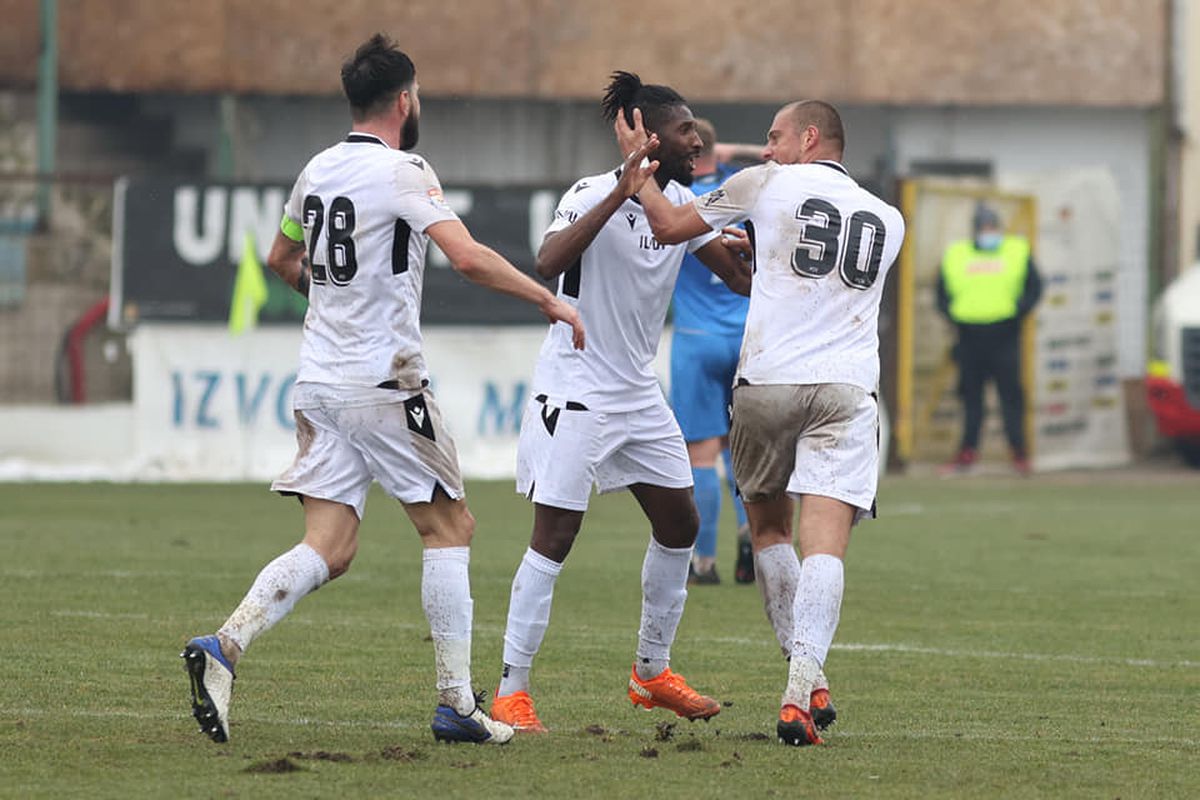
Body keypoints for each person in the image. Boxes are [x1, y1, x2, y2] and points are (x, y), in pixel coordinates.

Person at [179, 33, 585, 747]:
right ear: (405, 100)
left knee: (330, 546)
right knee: (450, 528)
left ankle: (225, 647)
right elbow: (465, 256)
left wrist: (331, 299)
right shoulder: (405, 170)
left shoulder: (315, 170)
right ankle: (457, 704)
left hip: (320, 386)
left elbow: (281, 255)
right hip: (387, 384)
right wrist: (546, 300)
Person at [617, 100, 905, 746]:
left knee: (771, 531)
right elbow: (823, 270)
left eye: (775, 138)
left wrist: (636, 169)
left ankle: (808, 680)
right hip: (846, 388)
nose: (767, 150)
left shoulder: (764, 183)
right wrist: (770, 246)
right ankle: (801, 690)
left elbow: (667, 228)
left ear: (808, 137)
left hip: (767, 383)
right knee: (825, 544)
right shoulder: (889, 218)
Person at [490, 72, 752, 734]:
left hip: (636, 389)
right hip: (575, 383)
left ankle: (650, 672)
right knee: (555, 535)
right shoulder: (588, 191)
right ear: (650, 133)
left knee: (680, 524)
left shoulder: (682, 201)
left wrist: (756, 247)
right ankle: (510, 691)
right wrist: (621, 189)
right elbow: (549, 260)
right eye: (686, 128)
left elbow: (737, 278)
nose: (698, 139)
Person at [669, 118, 753, 586]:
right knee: (743, 453)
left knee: (701, 454)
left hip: (696, 340)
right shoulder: (742, 192)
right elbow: (762, 155)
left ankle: (704, 563)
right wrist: (726, 151)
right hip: (745, 337)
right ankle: (751, 537)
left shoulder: (679, 201)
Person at [936, 203, 1042, 475]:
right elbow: (942, 291)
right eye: (984, 228)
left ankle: (1018, 452)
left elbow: (1035, 287)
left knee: (1011, 397)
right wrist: (952, 314)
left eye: (992, 227)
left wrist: (1019, 311)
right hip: (969, 337)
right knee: (972, 399)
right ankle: (967, 452)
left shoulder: (1015, 251)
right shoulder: (957, 254)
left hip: (1005, 334)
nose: (988, 233)